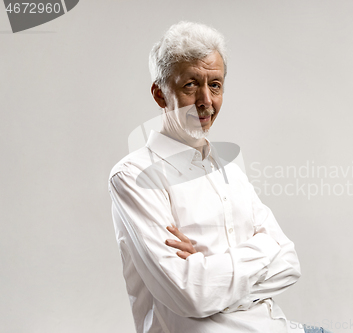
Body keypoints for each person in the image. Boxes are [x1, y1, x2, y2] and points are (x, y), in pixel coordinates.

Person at [108, 21, 331, 333]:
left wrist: (209, 267)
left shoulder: (231, 173)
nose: (206, 101)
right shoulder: (132, 177)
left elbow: (289, 263)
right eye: (190, 85)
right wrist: (262, 252)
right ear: (160, 95)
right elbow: (192, 296)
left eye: (215, 85)